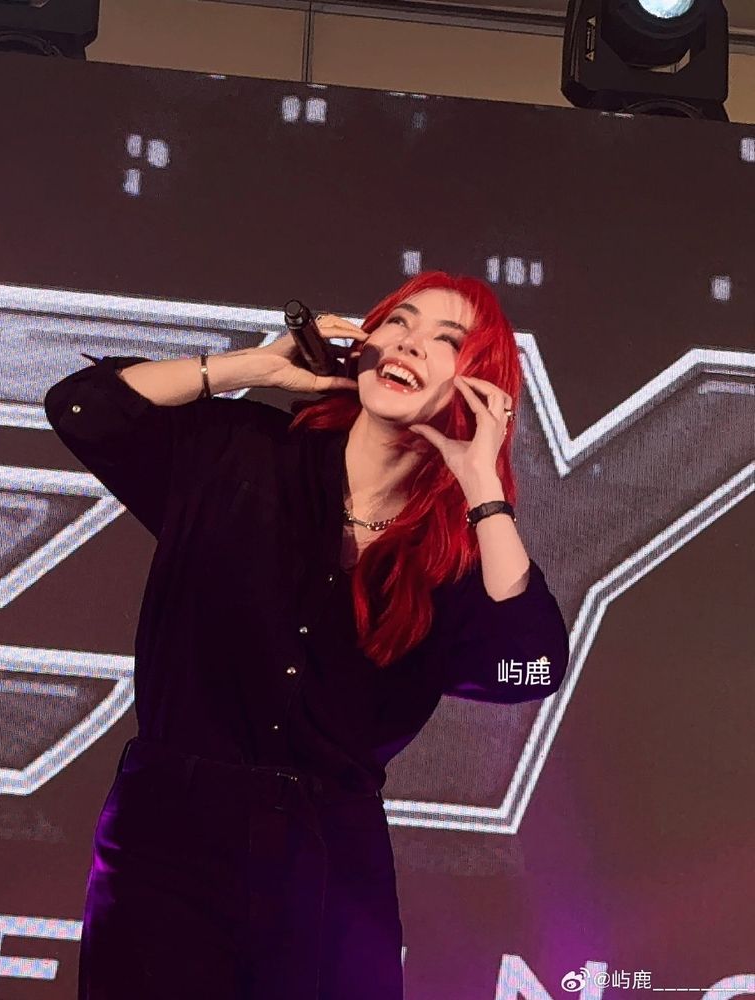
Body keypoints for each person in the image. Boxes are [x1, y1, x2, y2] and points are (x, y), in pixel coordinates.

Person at [44, 270, 570, 1000]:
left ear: (479, 386)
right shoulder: (240, 454)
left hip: (327, 866)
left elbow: (533, 669)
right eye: (399, 322)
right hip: (169, 841)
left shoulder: (448, 561)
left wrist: (484, 487)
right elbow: (82, 407)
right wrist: (252, 367)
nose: (409, 344)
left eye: (446, 340)